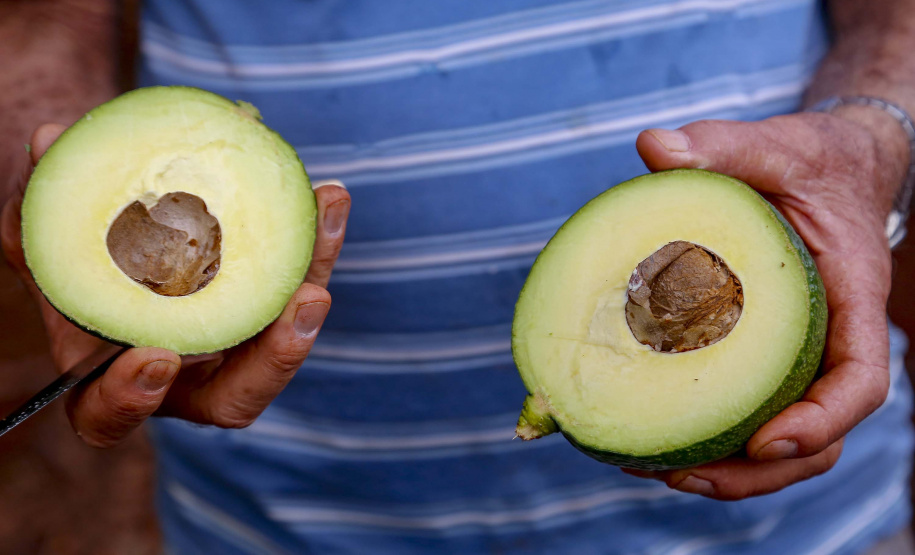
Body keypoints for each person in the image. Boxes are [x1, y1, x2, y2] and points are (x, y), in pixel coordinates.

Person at [2, 0, 914, 553]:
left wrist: (873, 133)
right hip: (276, 517)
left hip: (800, 528)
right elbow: (43, 18)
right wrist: (43, 194)